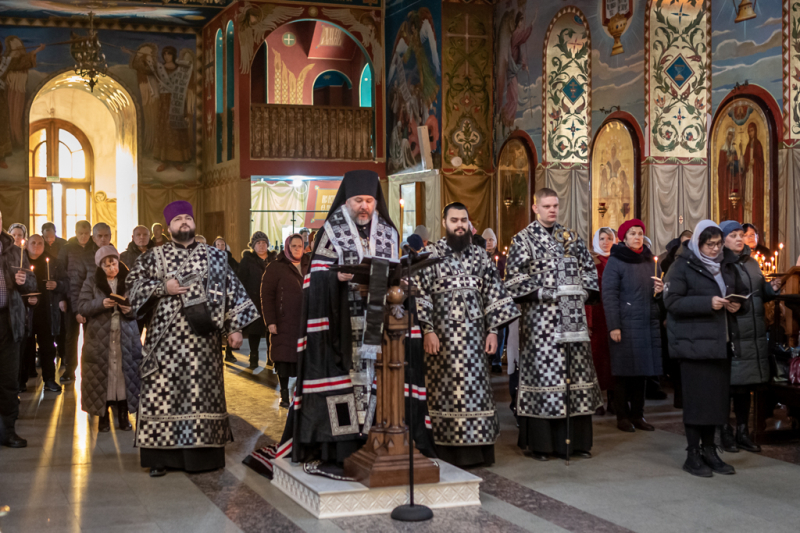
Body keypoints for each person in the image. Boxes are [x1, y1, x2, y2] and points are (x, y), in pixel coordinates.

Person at [243, 170, 404, 477]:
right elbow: (313, 280)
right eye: (358, 200)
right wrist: (336, 277)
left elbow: (394, 272)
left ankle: (376, 446)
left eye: (369, 200)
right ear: (347, 200)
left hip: (377, 326)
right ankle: (339, 452)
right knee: (343, 387)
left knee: (376, 386)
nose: (364, 207)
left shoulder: (388, 232)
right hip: (339, 328)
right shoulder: (332, 229)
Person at [128, 201, 258, 477]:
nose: (184, 222)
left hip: (204, 343)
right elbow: (132, 289)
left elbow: (232, 291)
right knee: (164, 397)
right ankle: (161, 459)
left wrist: (235, 327)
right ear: (168, 227)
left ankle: (203, 458)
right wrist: (165, 287)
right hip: (164, 345)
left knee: (201, 396)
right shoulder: (153, 257)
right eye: (178, 219)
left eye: (188, 217)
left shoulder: (216, 257)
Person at [414, 203, 520, 467]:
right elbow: (420, 293)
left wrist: (493, 331)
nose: (459, 225)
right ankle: (445, 452)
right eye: (454, 220)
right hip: (443, 342)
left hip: (474, 341)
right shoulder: (430, 254)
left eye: (463, 220)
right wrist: (427, 329)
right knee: (444, 394)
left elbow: (493, 293)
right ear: (444, 223)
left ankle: (477, 452)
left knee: (476, 394)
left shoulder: (481, 256)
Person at [505, 188, 602, 461]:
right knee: (544, 378)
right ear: (535, 208)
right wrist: (546, 292)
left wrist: (583, 292)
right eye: (546, 206)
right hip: (540, 322)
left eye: (555, 206)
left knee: (575, 375)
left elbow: (589, 269)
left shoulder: (570, 237)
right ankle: (542, 445)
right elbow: (513, 279)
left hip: (572, 316)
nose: (552, 210)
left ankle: (576, 443)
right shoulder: (522, 240)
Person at [664, 220, 747, 477]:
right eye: (709, 245)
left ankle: (710, 451)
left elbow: (742, 294)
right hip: (693, 346)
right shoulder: (682, 266)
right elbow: (672, 301)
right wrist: (706, 303)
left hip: (720, 343)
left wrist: (737, 306)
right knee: (697, 402)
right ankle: (693, 453)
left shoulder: (727, 265)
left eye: (718, 244)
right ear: (698, 244)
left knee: (716, 403)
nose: (714, 249)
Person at [719, 220, 778, 454]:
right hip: (734, 331)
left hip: (753, 333)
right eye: (733, 235)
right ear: (723, 239)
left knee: (746, 387)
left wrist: (771, 288)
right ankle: (724, 431)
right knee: (729, 387)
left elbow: (760, 293)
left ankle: (743, 431)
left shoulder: (752, 263)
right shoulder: (720, 264)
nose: (739, 238)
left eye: (741, 235)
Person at [602, 219, 664, 432]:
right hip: (625, 324)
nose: (637, 237)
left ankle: (638, 414)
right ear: (624, 238)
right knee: (624, 372)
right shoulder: (616, 260)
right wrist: (614, 326)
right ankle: (622, 416)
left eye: (640, 233)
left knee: (642, 372)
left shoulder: (650, 261)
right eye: (632, 233)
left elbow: (659, 292)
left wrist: (661, 289)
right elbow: (609, 295)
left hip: (647, 322)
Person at [78, 245, 142, 433]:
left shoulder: (129, 280)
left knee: (124, 374)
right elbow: (82, 306)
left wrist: (129, 309)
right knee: (103, 375)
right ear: (100, 267)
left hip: (126, 336)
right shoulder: (92, 281)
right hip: (100, 336)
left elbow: (140, 306)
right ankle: (103, 416)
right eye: (106, 266)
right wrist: (101, 303)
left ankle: (123, 415)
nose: (111, 268)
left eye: (113, 264)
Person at [0, 210, 37, 448]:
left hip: (8, 321)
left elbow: (32, 283)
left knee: (8, 379)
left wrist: (25, 283)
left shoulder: (15, 251)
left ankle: (8, 431)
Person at [261, 234, 309, 408]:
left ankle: (302, 394)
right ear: (287, 247)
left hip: (305, 319)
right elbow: (266, 295)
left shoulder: (309, 264)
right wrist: (270, 321)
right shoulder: (276, 267)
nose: (297, 249)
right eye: (294, 246)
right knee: (283, 359)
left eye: (300, 246)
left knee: (303, 357)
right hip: (283, 320)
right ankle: (284, 394)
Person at [57, 221, 106, 382]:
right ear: (76, 232)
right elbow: (61, 275)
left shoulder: (96, 248)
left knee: (90, 336)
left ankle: (89, 369)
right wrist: (62, 298)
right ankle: (69, 369)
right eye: (81, 233)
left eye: (87, 233)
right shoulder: (67, 248)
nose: (84, 236)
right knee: (71, 336)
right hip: (71, 297)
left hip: (91, 300)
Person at [23, 235, 67, 393]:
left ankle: (49, 379)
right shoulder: (21, 261)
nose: (36, 246)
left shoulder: (53, 262)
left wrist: (56, 284)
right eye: (33, 243)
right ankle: (21, 381)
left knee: (48, 348)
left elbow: (65, 282)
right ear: (27, 244)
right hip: (25, 313)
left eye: (40, 243)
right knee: (24, 348)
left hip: (47, 313)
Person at [587, 227, 615, 415]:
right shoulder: (591, 262)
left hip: (613, 315)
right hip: (596, 315)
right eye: (602, 238)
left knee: (614, 359)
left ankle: (614, 401)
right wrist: (587, 321)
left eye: (609, 238)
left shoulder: (618, 261)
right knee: (596, 359)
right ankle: (596, 401)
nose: (605, 242)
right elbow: (588, 294)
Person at [238, 231, 275, 369]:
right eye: (258, 243)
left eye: (264, 243)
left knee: (271, 328)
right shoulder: (247, 261)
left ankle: (271, 356)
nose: (261, 246)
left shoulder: (273, 260)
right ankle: (253, 356)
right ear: (253, 246)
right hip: (254, 299)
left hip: (271, 299)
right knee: (255, 330)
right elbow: (242, 280)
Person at [482, 227, 508, 374]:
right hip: (484, 301)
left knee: (500, 331)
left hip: (500, 300)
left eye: (491, 240)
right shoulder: (480, 258)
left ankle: (497, 361)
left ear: (496, 242)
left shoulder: (503, 259)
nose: (489, 243)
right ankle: (486, 358)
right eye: (486, 240)